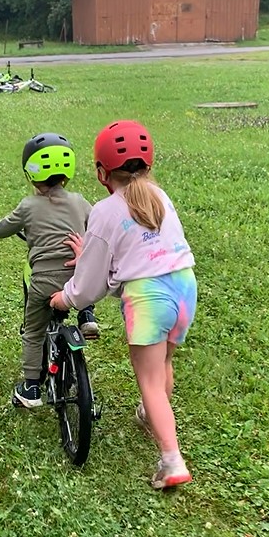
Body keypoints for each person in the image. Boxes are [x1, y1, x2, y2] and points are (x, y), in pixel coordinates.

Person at [50, 120, 197, 490]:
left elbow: (88, 288)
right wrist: (96, 256)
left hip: (149, 300)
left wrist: (64, 297)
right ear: (149, 166)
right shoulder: (160, 197)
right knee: (163, 361)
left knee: (147, 379)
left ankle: (171, 460)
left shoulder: (105, 210)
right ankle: (151, 414)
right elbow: (141, 254)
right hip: (184, 287)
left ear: (102, 172)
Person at [0, 132, 100, 408]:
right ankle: (87, 314)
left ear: (30, 172)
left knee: (33, 331)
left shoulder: (28, 206)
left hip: (43, 280)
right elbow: (100, 227)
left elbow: (0, 228)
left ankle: (31, 387)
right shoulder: (80, 201)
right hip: (76, 277)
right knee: (85, 275)